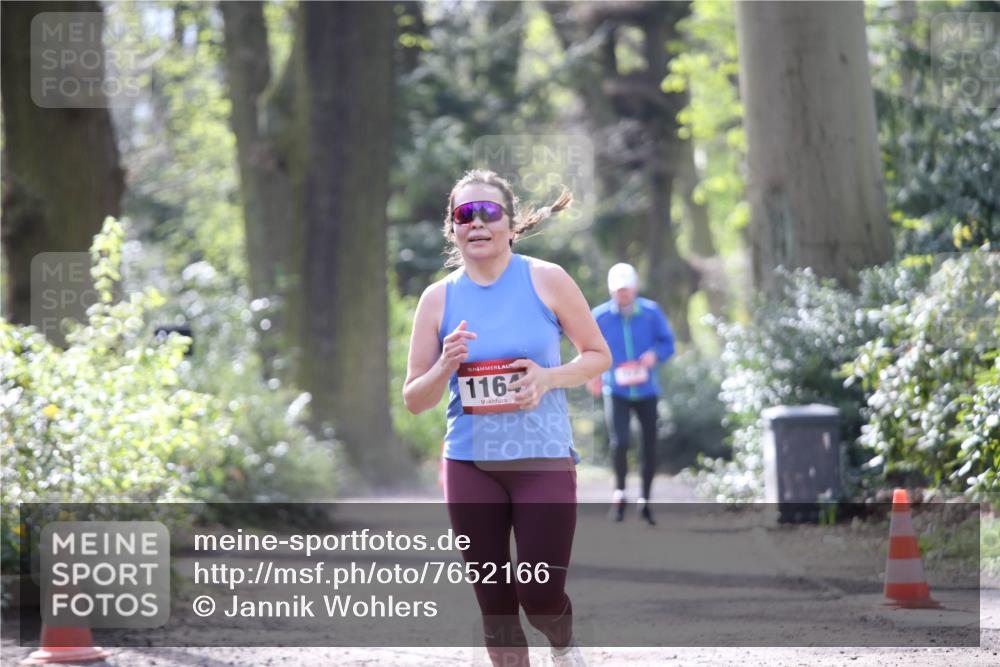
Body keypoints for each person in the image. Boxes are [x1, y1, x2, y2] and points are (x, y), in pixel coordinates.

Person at [403, 169, 611, 667]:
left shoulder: (547, 279)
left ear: (511, 225)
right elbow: (414, 398)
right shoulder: (437, 299)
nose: (477, 222)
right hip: (470, 464)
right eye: (464, 214)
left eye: (489, 212)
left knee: (539, 598)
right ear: (452, 229)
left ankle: (562, 642)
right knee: (495, 608)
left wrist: (547, 377)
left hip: (542, 461)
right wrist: (445, 365)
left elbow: (597, 355)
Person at [588, 263, 675, 525]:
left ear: (635, 287)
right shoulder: (600, 316)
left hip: (647, 390)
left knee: (649, 445)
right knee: (620, 442)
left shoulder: (650, 312)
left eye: (626, 289)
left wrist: (654, 355)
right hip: (616, 389)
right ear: (611, 290)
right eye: (618, 290)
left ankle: (646, 500)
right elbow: (588, 348)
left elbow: (668, 342)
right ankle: (620, 492)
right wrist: (592, 375)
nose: (622, 294)